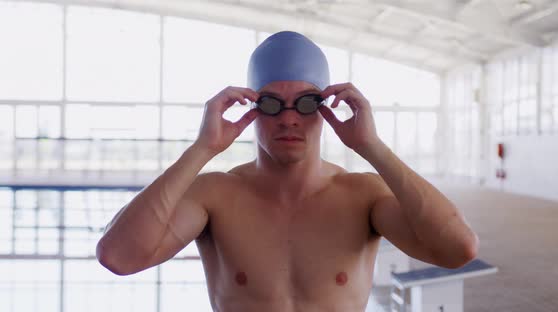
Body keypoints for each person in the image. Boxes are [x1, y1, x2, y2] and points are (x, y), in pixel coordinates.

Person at [96, 31, 478, 311]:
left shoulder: (363, 195)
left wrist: (371, 147)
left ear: (327, 108)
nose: (290, 119)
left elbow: (458, 248)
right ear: (250, 108)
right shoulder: (215, 196)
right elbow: (118, 256)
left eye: (307, 103)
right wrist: (202, 149)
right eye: (272, 104)